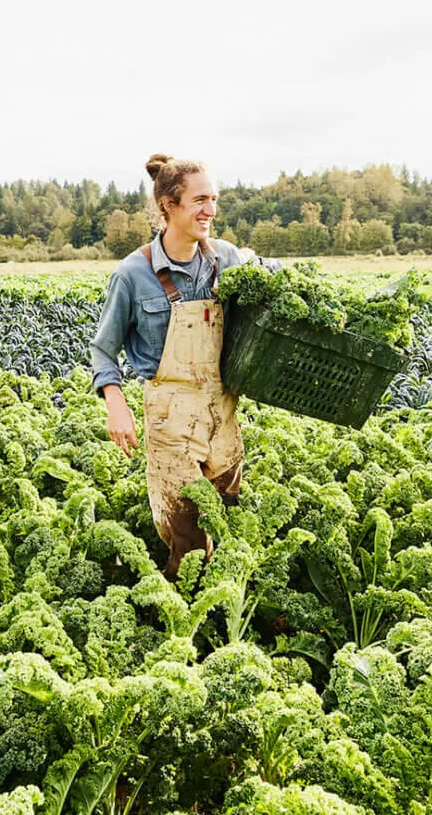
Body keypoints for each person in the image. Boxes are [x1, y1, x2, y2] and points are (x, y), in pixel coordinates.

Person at [89, 154, 280, 577]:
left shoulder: (225, 258)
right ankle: (182, 621)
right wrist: (115, 406)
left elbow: (275, 275)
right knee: (187, 533)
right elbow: (104, 349)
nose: (210, 210)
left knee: (227, 515)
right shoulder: (133, 274)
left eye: (213, 199)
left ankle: (227, 608)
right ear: (169, 206)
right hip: (171, 415)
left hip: (222, 411)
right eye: (199, 200)